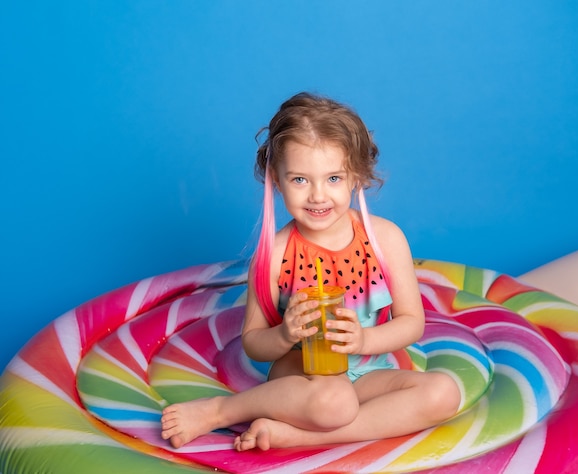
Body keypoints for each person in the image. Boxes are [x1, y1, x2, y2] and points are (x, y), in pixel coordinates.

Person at [161, 92, 461, 451]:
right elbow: (254, 343)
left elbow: (412, 322)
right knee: (335, 403)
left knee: (443, 393)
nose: (318, 196)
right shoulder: (274, 253)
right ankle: (220, 411)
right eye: (300, 180)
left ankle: (295, 436)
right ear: (276, 178)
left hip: (368, 371)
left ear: (357, 176)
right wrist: (286, 334)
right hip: (303, 379)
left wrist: (364, 341)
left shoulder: (386, 239)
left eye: (334, 178)